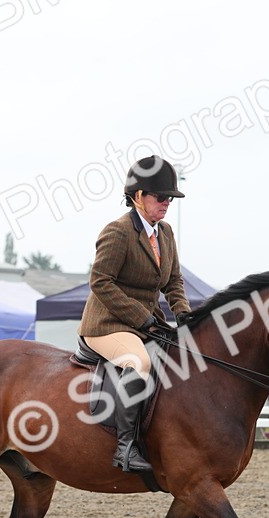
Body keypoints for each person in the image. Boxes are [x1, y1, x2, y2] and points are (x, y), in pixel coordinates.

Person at [78, 155, 191, 473]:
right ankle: (125, 448)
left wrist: (183, 313)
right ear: (138, 195)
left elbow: (173, 281)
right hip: (107, 324)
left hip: (144, 324)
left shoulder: (165, 233)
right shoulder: (118, 232)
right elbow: (100, 282)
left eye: (170, 198)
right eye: (160, 197)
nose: (166, 203)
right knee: (138, 362)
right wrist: (141, 317)